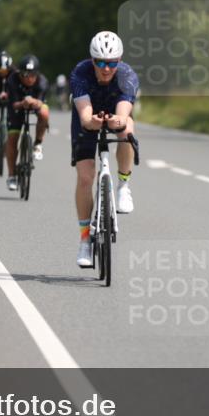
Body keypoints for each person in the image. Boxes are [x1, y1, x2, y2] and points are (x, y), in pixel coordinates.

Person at [70, 31, 139, 267]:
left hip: (114, 112)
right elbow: (86, 116)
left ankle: (123, 186)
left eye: (111, 63)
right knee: (85, 179)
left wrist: (115, 121)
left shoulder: (127, 76)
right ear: (92, 61)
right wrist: (93, 122)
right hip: (88, 115)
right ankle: (84, 241)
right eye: (100, 62)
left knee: (127, 130)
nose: (106, 68)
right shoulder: (80, 73)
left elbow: (122, 114)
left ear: (119, 61)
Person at [2, 55, 50, 190]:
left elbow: (40, 103)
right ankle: (11, 176)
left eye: (33, 75)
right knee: (12, 139)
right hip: (17, 107)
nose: (29, 78)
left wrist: (33, 102)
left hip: (35, 104)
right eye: (25, 75)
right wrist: (24, 102)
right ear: (19, 73)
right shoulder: (12, 80)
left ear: (37, 74)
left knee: (44, 112)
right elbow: (13, 105)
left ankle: (38, 144)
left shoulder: (42, 81)